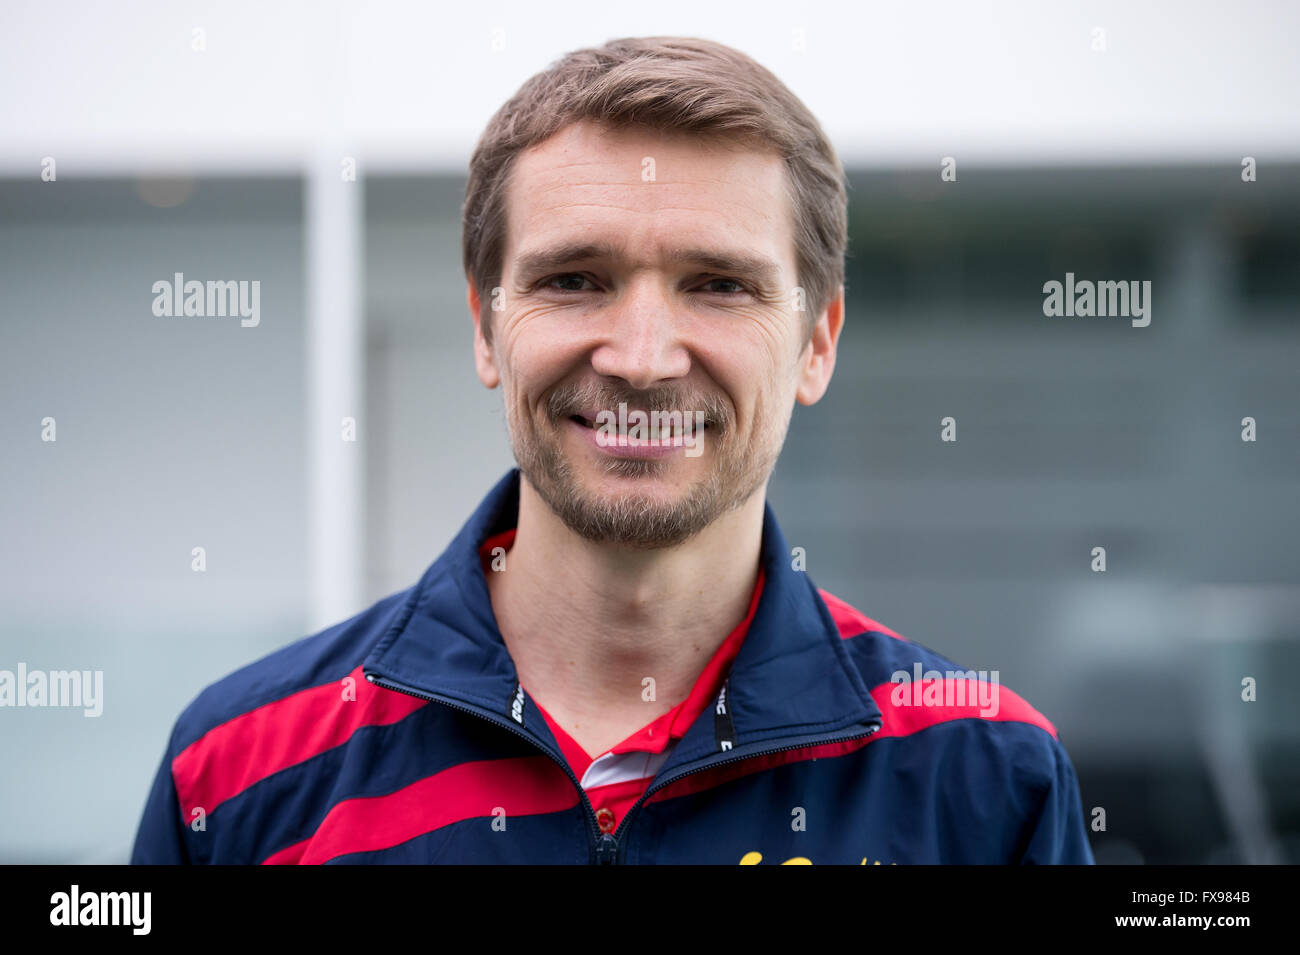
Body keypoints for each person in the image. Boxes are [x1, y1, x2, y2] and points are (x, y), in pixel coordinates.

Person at [131, 35, 1094, 864]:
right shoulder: (240, 772)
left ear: (817, 341)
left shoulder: (987, 786)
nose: (641, 359)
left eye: (718, 285)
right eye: (576, 278)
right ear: (484, 327)